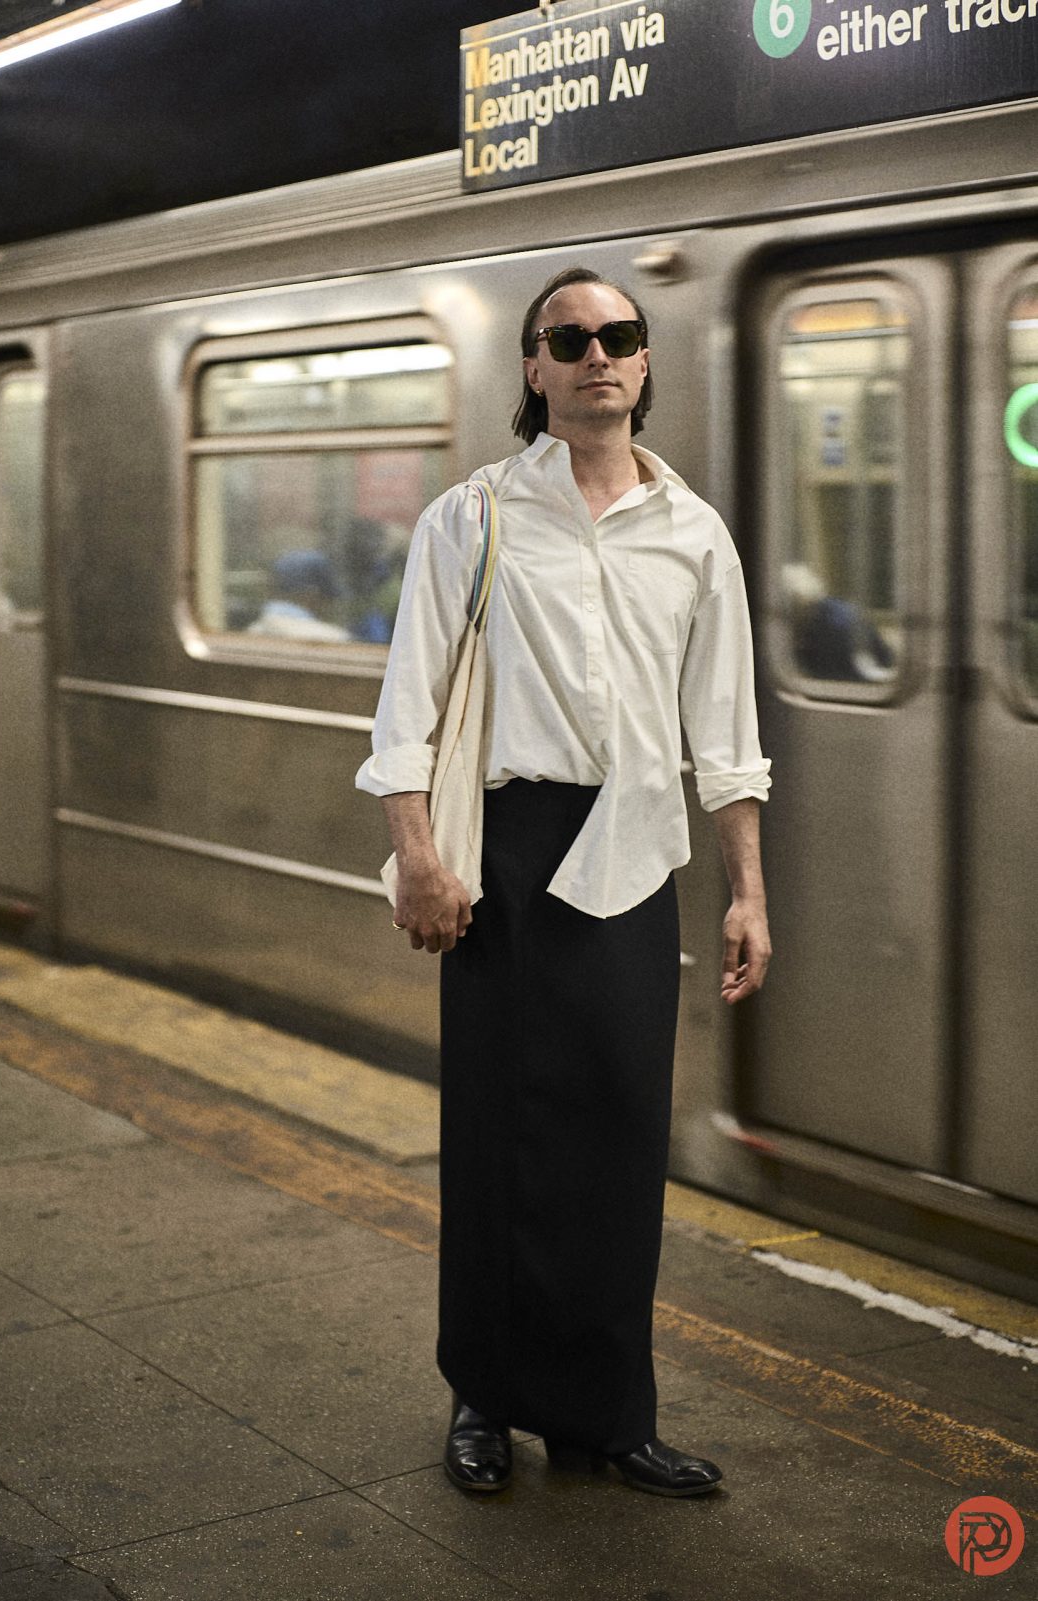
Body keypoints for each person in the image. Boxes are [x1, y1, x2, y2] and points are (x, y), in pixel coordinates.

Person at [354, 266, 772, 1499]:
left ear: (645, 364)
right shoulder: (472, 517)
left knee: (618, 1141)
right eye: (570, 338)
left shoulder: (694, 533)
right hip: (506, 854)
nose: (599, 355)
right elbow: (409, 708)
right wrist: (420, 854)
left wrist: (747, 888)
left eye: (620, 336)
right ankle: (485, 1394)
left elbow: (726, 733)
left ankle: (605, 1412)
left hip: (637, 854)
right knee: (497, 1134)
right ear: (533, 369)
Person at [247, 549, 350, 642]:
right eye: (328, 597)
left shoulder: (250, 632)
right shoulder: (333, 639)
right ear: (311, 595)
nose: (329, 606)